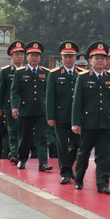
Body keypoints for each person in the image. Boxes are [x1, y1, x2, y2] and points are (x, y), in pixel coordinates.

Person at [71, 41, 110, 194]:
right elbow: (77, 102)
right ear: (90, 60)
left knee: (104, 155)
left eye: (103, 58)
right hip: (88, 122)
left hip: (106, 123)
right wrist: (76, 123)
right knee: (84, 152)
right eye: (96, 58)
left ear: (106, 60)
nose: (100, 61)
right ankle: (78, 178)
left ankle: (103, 183)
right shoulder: (83, 77)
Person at [11, 41, 52, 171]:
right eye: (31, 55)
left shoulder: (46, 72)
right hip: (25, 110)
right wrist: (15, 106)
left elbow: (49, 93)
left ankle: (43, 162)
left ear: (40, 57)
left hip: (41, 110)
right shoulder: (20, 72)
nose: (34, 57)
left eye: (36, 55)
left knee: (42, 138)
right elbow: (15, 91)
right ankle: (22, 159)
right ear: (27, 57)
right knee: (24, 138)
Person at [46, 41, 81, 184]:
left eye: (71, 56)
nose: (68, 59)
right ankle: (65, 172)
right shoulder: (54, 74)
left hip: (77, 117)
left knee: (77, 144)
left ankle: (69, 165)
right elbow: (50, 96)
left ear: (75, 58)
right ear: (61, 58)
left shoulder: (81, 74)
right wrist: (50, 116)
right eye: (65, 56)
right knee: (61, 145)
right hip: (60, 115)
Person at [0, 40, 25, 163]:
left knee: (23, 130)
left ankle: (22, 152)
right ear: (11, 56)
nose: (19, 56)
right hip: (9, 105)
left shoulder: (27, 70)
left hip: (25, 105)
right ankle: (14, 153)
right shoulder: (6, 71)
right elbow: (1, 90)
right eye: (16, 54)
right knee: (12, 130)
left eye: (21, 54)